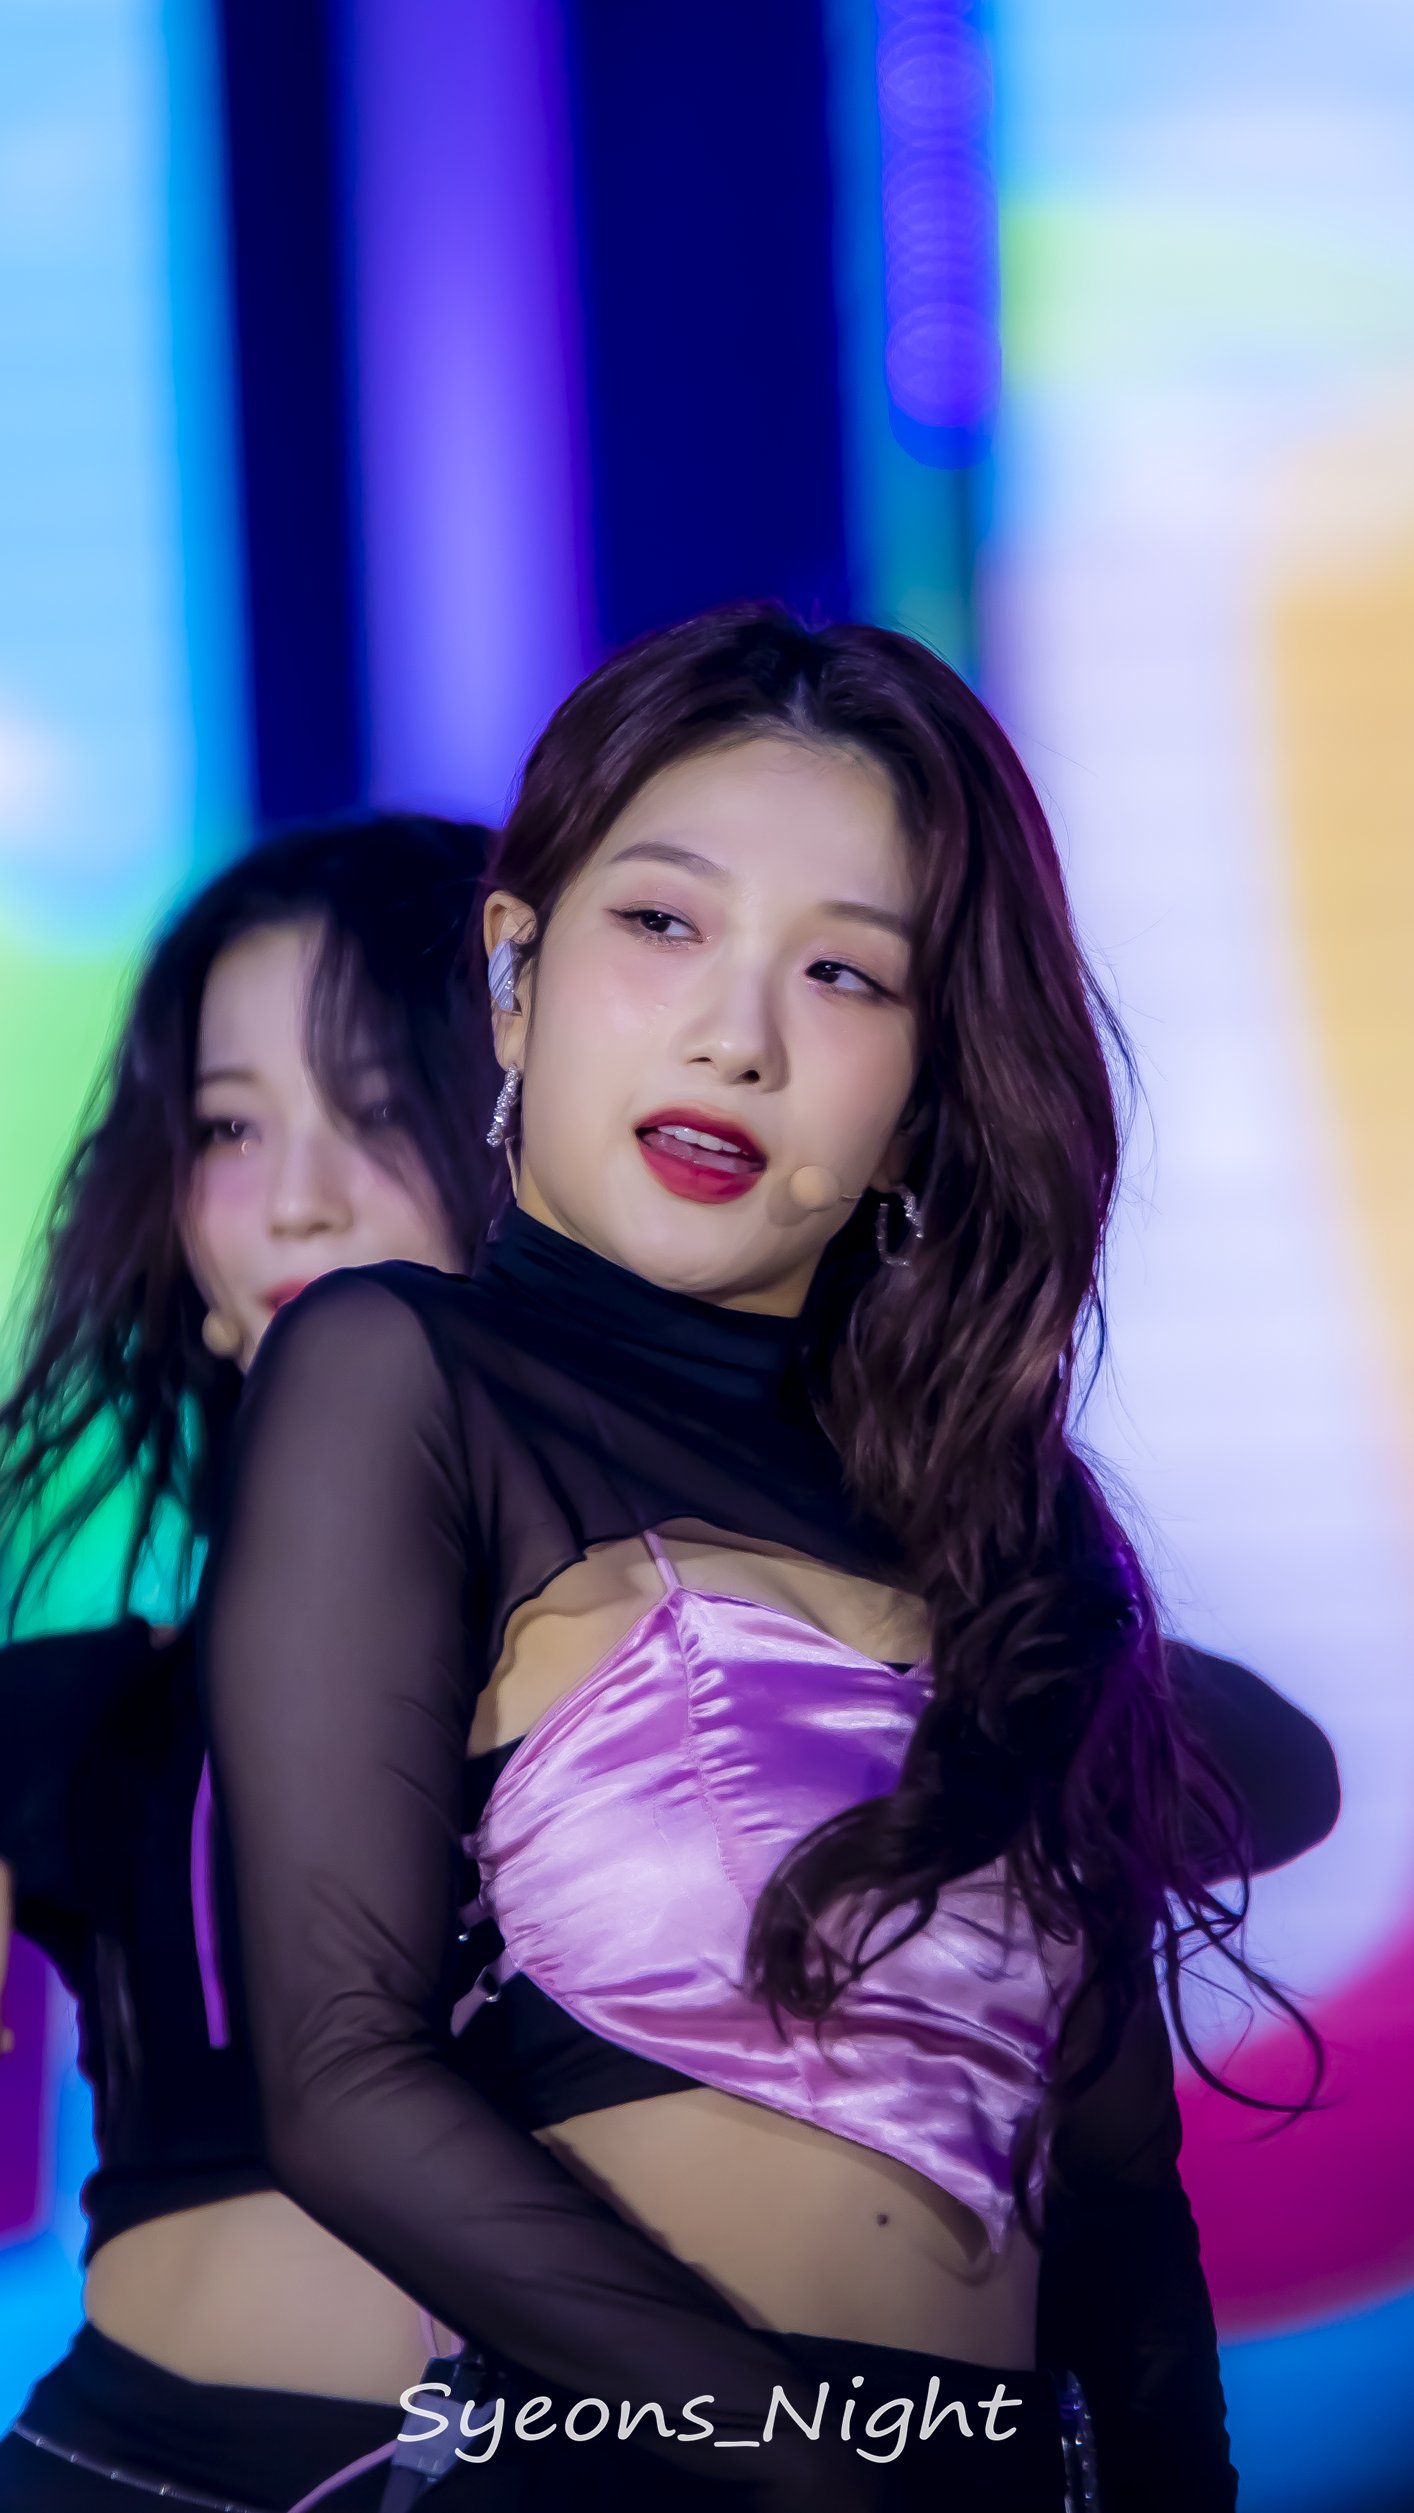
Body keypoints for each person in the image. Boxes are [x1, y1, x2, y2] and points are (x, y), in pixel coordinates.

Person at [200, 611, 1333, 2512]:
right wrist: (803, 2468)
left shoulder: (1013, 1526)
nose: (737, 1034)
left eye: (843, 972)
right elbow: (339, 2079)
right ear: (513, 974)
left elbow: (1120, 2200)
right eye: (663, 923)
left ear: (921, 1095)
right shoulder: (405, 1374)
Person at [0, 817, 493, 2509]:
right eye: (229, 1124)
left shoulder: (785, 1655)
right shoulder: (80, 1721)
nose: (296, 1196)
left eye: (381, 1106)